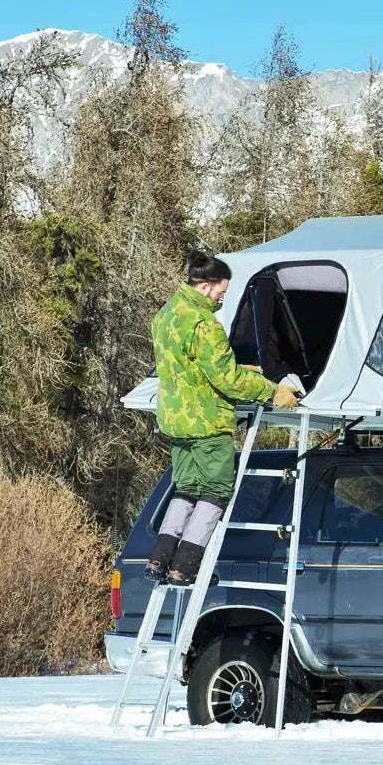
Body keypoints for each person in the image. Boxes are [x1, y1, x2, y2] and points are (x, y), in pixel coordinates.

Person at [144, 251, 300, 587]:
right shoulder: (204, 324)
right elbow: (225, 377)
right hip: (207, 421)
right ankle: (185, 567)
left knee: (186, 489)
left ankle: (160, 560)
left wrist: (240, 368)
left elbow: (192, 367)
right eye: (221, 291)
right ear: (203, 286)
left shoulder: (167, 315)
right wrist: (272, 391)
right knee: (214, 492)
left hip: (176, 419)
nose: (223, 297)